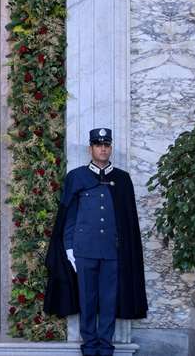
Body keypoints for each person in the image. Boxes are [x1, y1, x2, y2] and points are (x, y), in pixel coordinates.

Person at [44, 128, 148, 356]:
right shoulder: (76, 176)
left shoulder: (122, 179)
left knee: (109, 301)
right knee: (87, 300)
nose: (103, 148)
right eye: (98, 144)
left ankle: (106, 346)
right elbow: (69, 216)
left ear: (110, 148)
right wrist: (70, 250)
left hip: (112, 252)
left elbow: (128, 221)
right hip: (84, 251)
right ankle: (89, 347)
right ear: (90, 148)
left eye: (106, 145)